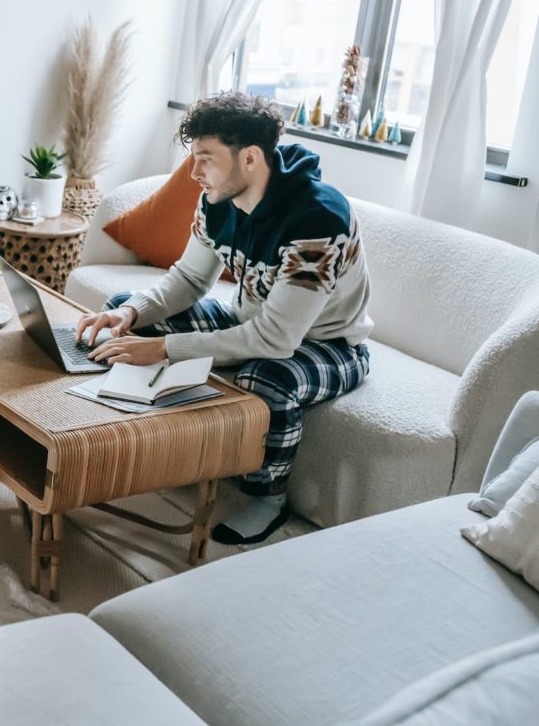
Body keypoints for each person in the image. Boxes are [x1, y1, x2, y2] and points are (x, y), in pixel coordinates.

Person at [76, 92, 373, 545]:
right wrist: (129, 311)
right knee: (128, 314)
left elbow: (275, 340)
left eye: (205, 160)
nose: (194, 173)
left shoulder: (318, 221)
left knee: (266, 379)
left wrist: (164, 348)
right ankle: (135, 436)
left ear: (250, 158)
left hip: (330, 344)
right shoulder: (216, 200)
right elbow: (190, 280)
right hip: (246, 319)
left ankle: (268, 498)